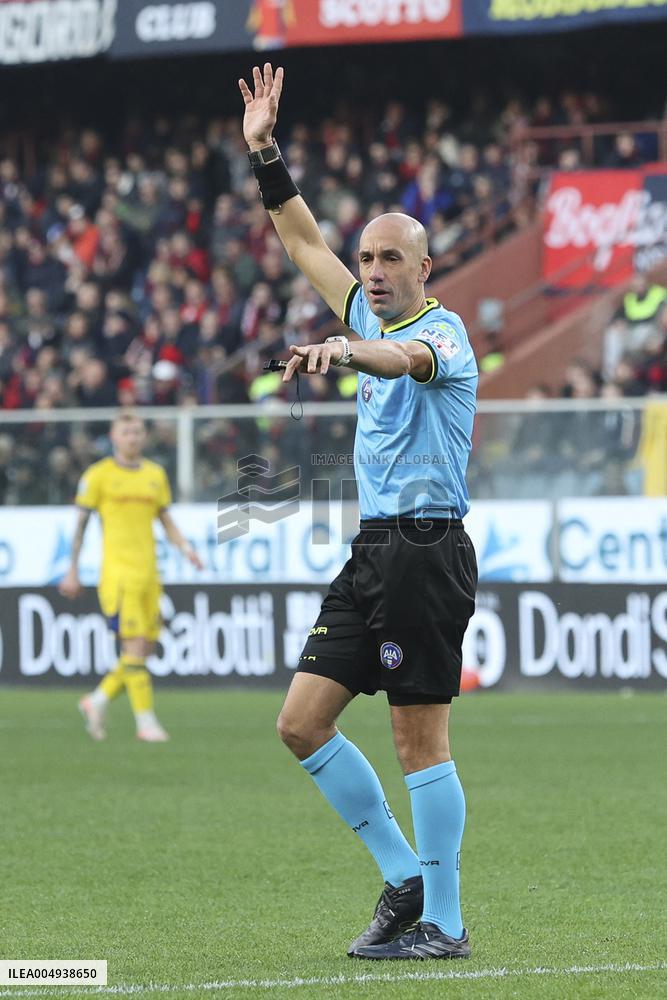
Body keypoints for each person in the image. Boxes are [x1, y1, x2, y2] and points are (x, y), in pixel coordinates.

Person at [238, 65, 478, 960]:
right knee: (300, 721)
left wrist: (345, 353)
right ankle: (403, 874)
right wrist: (265, 152)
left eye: (388, 259)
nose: (371, 271)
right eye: (366, 259)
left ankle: (445, 924)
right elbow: (300, 241)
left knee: (419, 739)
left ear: (424, 268)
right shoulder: (361, 310)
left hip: (426, 551)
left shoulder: (440, 336)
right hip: (372, 550)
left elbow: (401, 361)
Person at [59, 412, 204, 742]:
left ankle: (95, 700)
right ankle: (146, 722)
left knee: (144, 649)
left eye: (138, 432)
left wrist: (186, 548)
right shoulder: (98, 476)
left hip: (150, 574)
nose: (133, 438)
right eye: (126, 432)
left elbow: (165, 519)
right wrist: (72, 569)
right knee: (135, 647)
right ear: (114, 436)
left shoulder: (154, 474)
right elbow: (80, 524)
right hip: (119, 575)